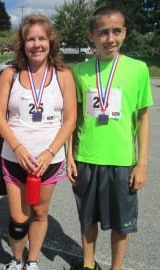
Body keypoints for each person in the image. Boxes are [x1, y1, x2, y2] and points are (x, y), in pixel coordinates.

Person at [67, 6, 154, 270]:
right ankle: (88, 264)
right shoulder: (79, 71)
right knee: (87, 219)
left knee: (121, 222)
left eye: (116, 31)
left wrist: (142, 163)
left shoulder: (138, 69)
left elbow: (143, 118)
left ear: (125, 33)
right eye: (103, 32)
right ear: (91, 36)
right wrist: (69, 155)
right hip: (86, 158)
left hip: (122, 160)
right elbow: (74, 119)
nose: (110, 38)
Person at [0, 14, 77, 270]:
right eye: (31, 39)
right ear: (22, 43)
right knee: (18, 220)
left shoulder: (63, 75)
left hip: (49, 161)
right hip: (14, 158)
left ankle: (32, 261)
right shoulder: (10, 74)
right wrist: (17, 148)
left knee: (40, 213)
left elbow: (70, 119)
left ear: (50, 42)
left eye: (42, 38)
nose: (36, 44)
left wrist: (50, 153)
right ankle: (16, 260)